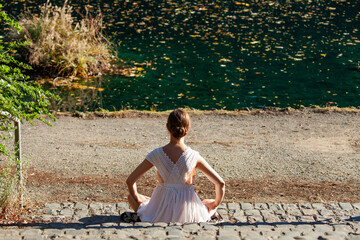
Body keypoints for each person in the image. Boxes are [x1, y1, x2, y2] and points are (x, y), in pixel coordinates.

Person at [126, 109, 225, 223]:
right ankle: (206, 214)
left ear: (167, 127)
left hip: (161, 209)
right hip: (186, 212)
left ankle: (149, 212)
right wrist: (216, 203)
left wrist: (137, 198)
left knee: (132, 197)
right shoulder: (194, 156)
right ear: (188, 128)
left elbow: (130, 181)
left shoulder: (156, 154)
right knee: (211, 202)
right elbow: (221, 183)